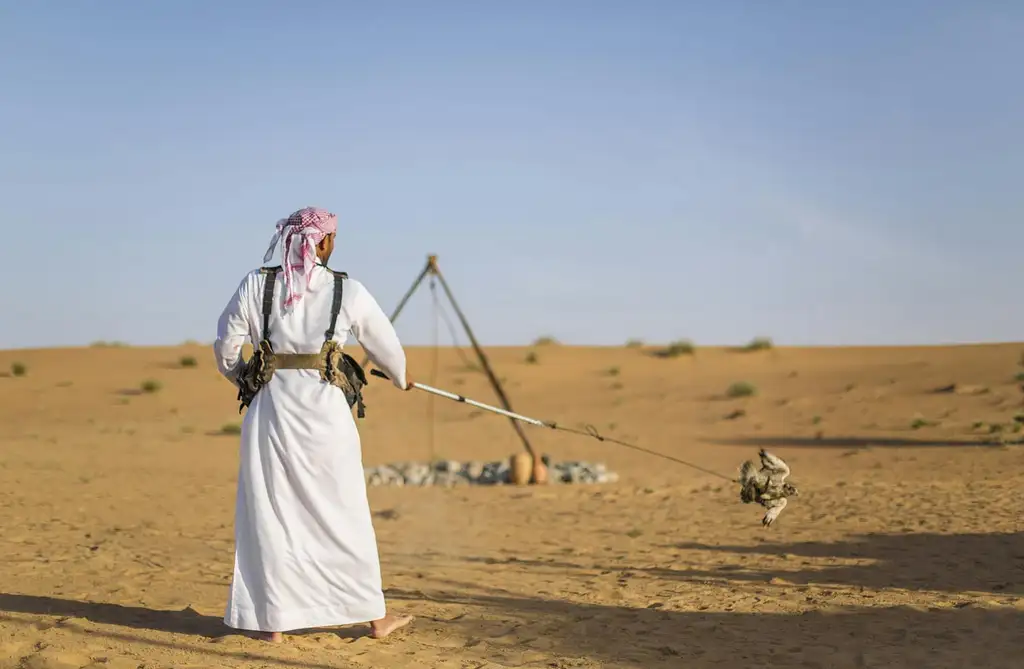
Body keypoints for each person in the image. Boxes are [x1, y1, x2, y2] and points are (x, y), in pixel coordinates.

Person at [212, 206, 414, 643]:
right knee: (344, 513)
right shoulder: (348, 290)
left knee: (273, 512)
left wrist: (246, 377)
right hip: (327, 417)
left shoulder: (255, 284)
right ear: (325, 243)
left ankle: (275, 624)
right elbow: (386, 346)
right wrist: (400, 378)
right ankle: (375, 618)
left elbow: (226, 347)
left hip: (270, 414)